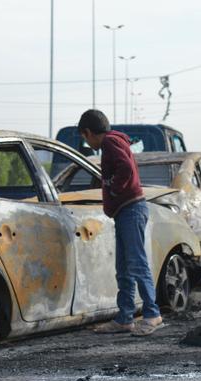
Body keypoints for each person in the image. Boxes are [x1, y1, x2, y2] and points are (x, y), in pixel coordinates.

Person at [78, 109, 163, 336]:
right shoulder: (113, 142)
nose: (86, 142)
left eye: (84, 137)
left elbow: (125, 168)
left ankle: (152, 314)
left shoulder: (109, 143)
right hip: (126, 211)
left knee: (137, 264)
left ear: (88, 132)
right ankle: (125, 318)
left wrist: (113, 189)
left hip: (131, 210)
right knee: (124, 269)